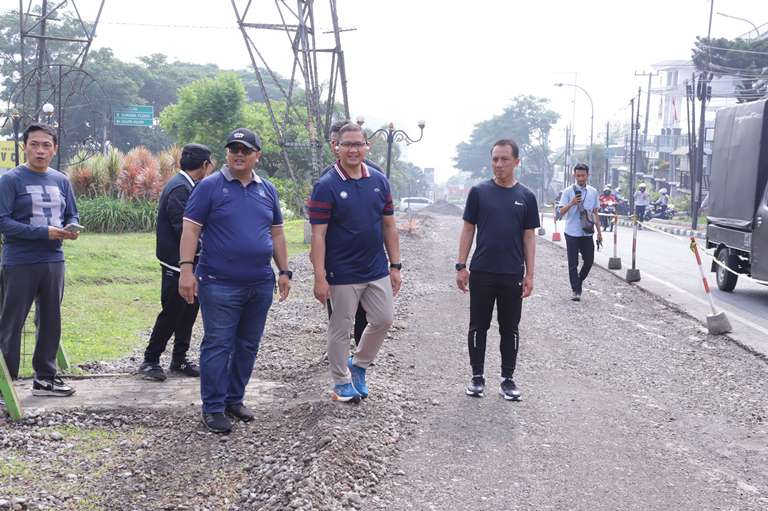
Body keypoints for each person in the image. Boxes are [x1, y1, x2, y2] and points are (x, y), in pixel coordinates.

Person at [179, 128, 291, 433]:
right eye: (233, 149)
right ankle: (213, 407)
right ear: (227, 153)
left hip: (259, 282)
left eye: (245, 150)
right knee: (218, 344)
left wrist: (284, 271)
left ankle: (233, 398)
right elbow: (190, 230)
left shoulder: (266, 189)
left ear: (257, 155)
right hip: (219, 283)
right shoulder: (209, 187)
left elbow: (277, 233)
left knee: (247, 345)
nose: (238, 154)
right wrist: (186, 270)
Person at [308, 122, 401, 403]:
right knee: (341, 326)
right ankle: (341, 382)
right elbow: (318, 234)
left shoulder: (378, 181)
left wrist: (395, 266)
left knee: (384, 319)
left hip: (375, 267)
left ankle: (358, 364)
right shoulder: (326, 186)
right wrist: (320, 276)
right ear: (336, 147)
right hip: (342, 271)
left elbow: (389, 226)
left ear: (366, 147)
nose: (352, 149)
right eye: (347, 144)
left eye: (358, 144)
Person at [0, 123, 79, 396]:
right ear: (25, 147)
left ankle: (45, 379)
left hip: (54, 260)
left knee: (50, 320)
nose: (40, 150)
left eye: (46, 145)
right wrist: (43, 232)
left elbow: (73, 214)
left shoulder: (61, 180)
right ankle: (4, 384)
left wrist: (72, 227)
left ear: (55, 149)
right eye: (34, 144)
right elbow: (3, 222)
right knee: (11, 322)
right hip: (20, 260)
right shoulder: (10, 180)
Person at [457, 139, 539, 401]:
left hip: (512, 273)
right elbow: (468, 229)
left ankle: (508, 379)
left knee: (510, 328)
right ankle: (477, 377)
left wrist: (530, 274)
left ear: (516, 162)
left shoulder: (526, 197)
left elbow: (529, 236)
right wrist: (461, 265)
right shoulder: (479, 192)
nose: (499, 164)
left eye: (504, 159)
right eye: (495, 159)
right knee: (478, 326)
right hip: (482, 271)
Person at [139, 144, 213, 382]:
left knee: (189, 310)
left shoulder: (189, 186)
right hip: (176, 264)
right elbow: (184, 231)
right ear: (204, 166)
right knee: (172, 312)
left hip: (192, 263)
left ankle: (179, 358)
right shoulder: (180, 189)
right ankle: (150, 360)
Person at [321, 120, 385, 347]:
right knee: (339, 314)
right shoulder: (326, 178)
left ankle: (359, 354)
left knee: (367, 313)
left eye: (356, 144)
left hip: (369, 260)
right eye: (339, 142)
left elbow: (385, 218)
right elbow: (320, 226)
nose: (350, 149)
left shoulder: (376, 175)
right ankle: (339, 353)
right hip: (338, 261)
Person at [557, 163, 602, 302]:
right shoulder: (567, 191)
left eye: (583, 175)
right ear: (574, 175)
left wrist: (599, 232)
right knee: (573, 263)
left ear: (588, 175)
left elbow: (595, 213)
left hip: (587, 233)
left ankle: (579, 280)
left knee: (589, 261)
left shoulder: (593, 192)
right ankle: (576, 290)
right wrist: (571, 203)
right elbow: (559, 213)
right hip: (571, 232)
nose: (580, 178)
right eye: (578, 176)